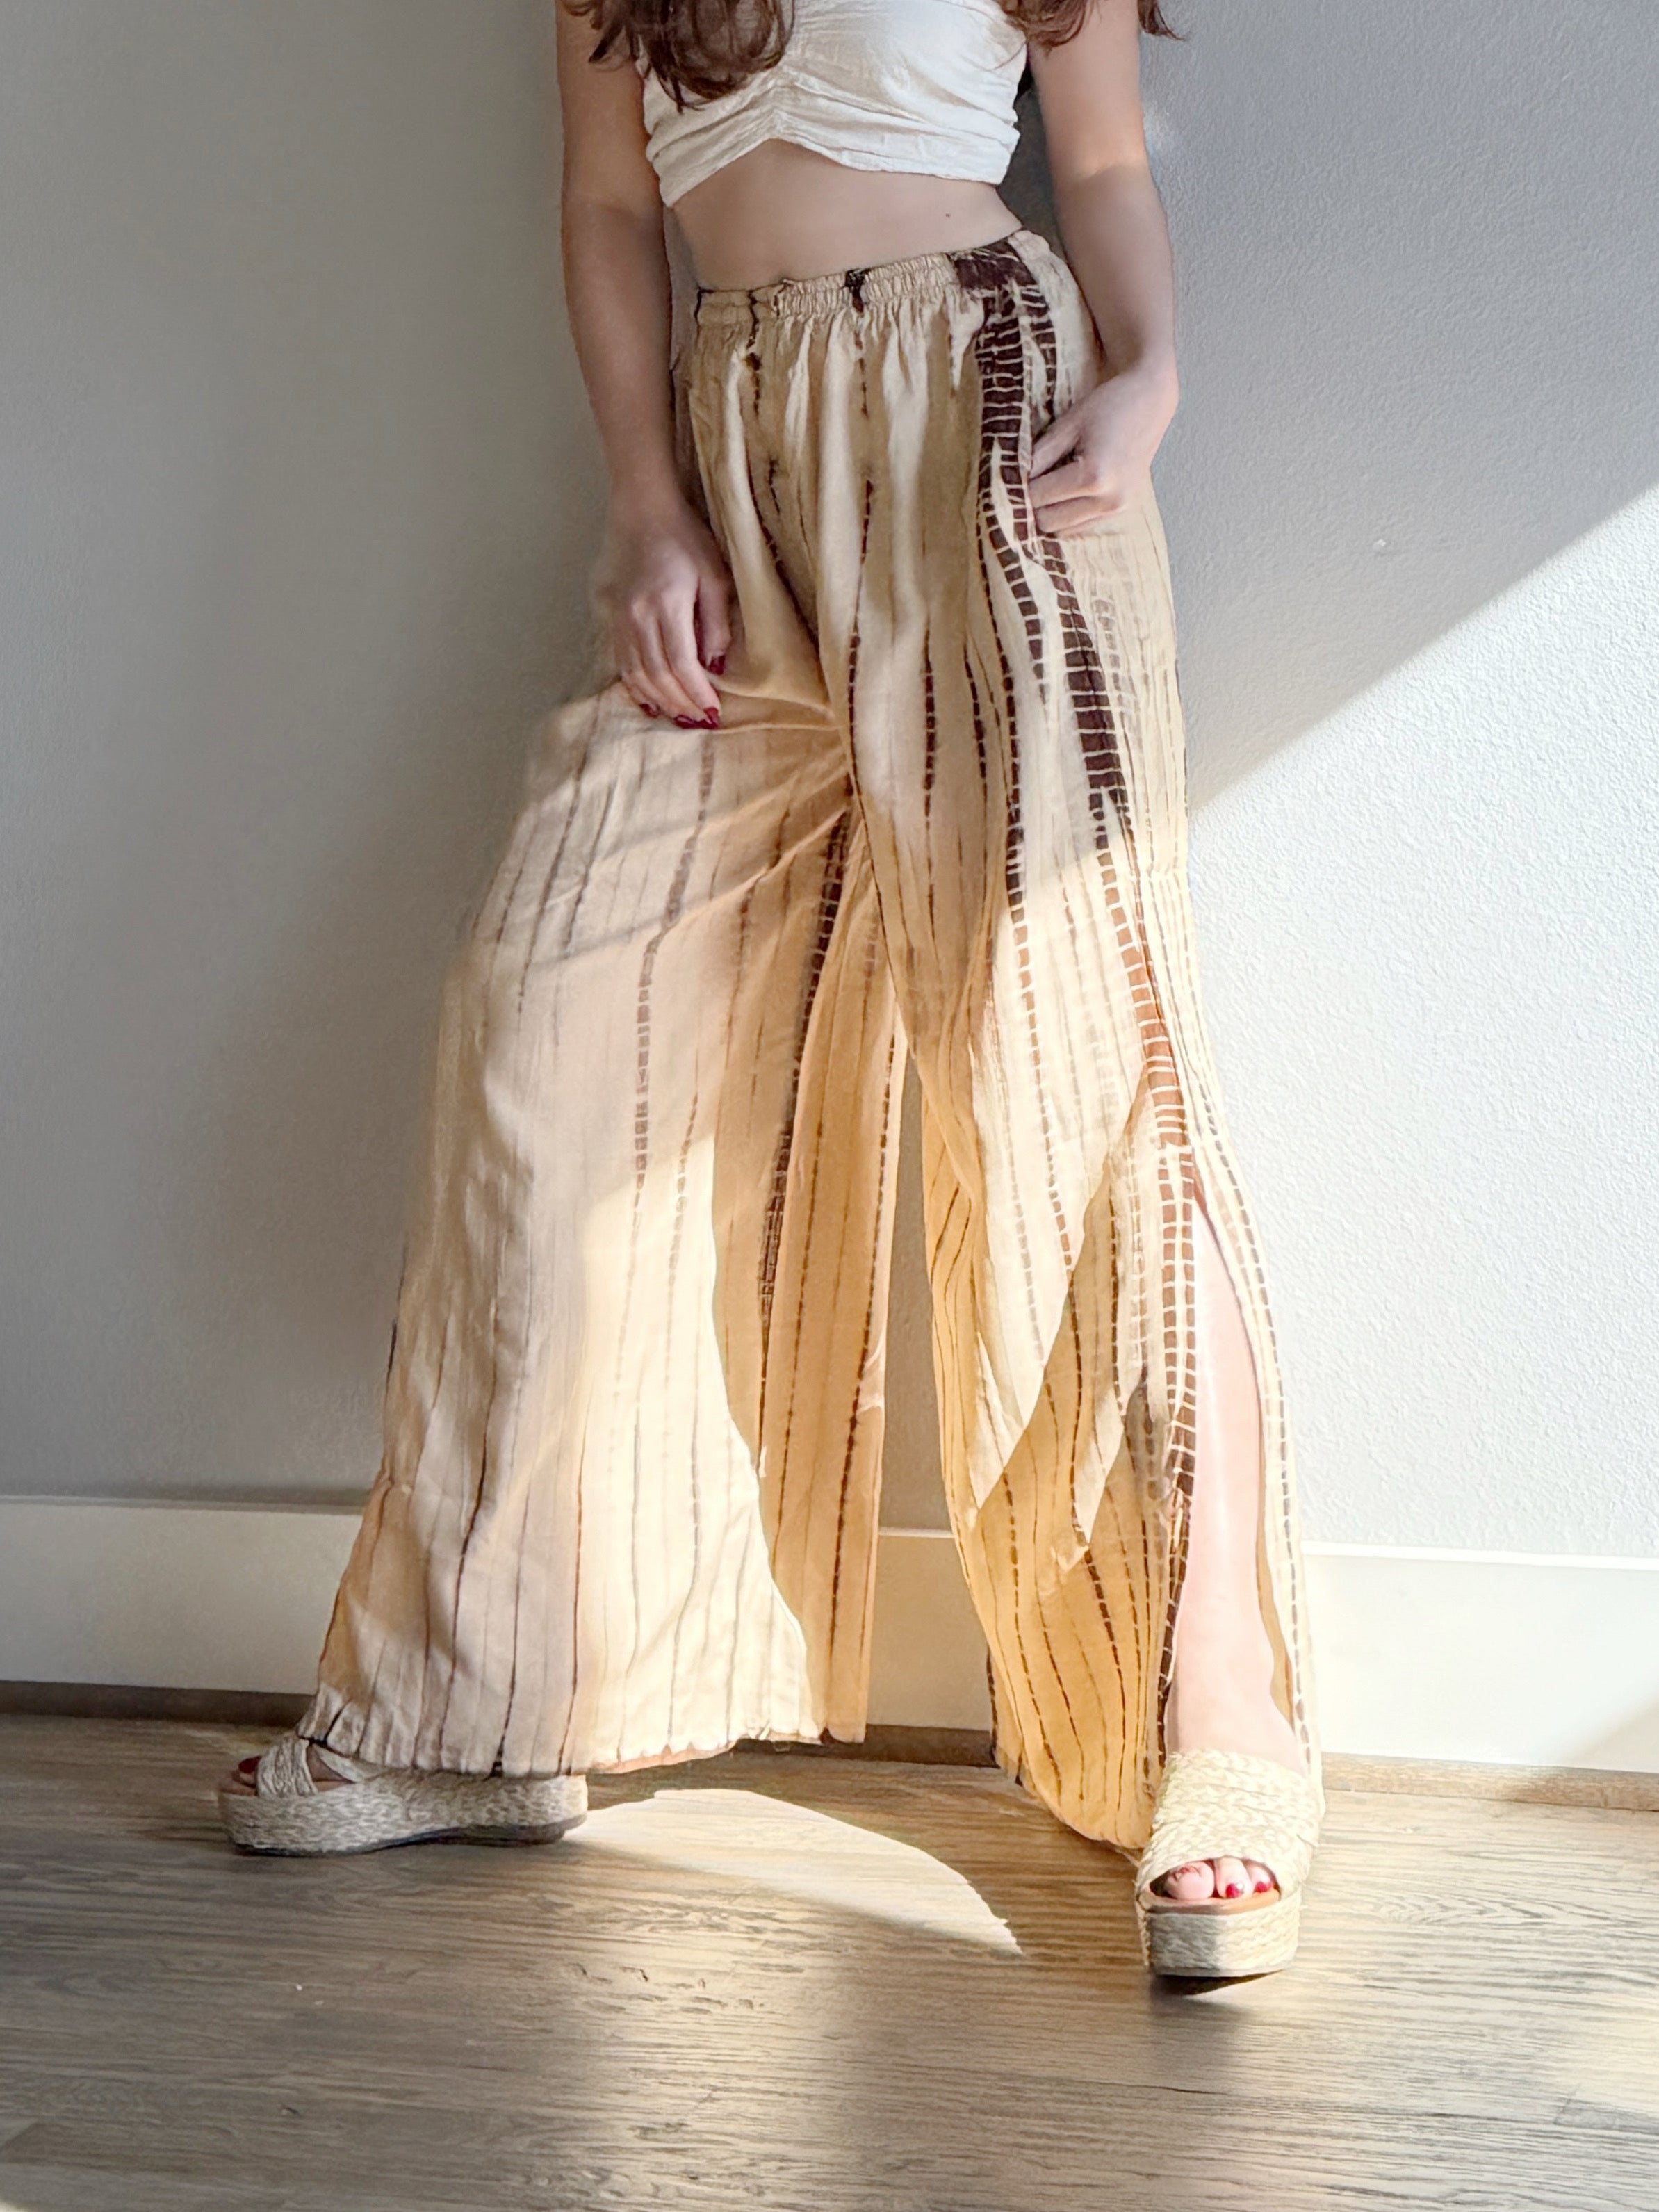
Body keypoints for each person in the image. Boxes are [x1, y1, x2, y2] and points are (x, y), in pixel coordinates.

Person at [217, 0, 1323, 1981]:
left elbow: (1098, 165)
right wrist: (645, 503)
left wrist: (1152, 376)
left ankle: (1211, 1727)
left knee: (1072, 1059)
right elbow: (602, 208)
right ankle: (492, 1701)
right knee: (547, 1028)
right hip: (733, 451)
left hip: (982, 414)